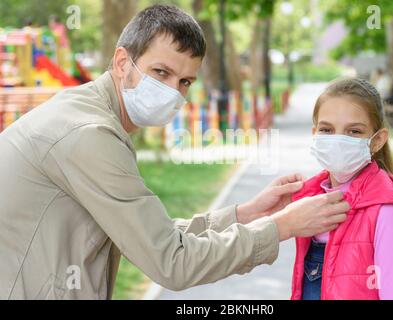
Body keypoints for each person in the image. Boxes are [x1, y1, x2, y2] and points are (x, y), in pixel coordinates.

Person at [0, 5, 349, 300]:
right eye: (161, 73)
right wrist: (281, 226)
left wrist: (245, 214)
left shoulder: (88, 113)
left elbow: (150, 235)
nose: (172, 92)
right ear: (122, 62)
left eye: (184, 82)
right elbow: (171, 261)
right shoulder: (89, 135)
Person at [290, 78, 393, 300]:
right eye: (327, 130)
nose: (338, 140)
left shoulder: (386, 212)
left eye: (354, 132)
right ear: (315, 133)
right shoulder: (310, 203)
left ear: (377, 140)